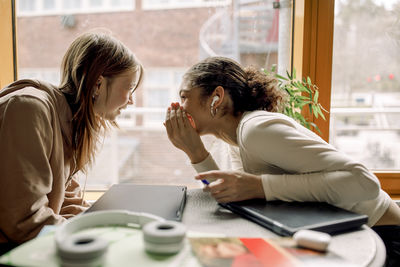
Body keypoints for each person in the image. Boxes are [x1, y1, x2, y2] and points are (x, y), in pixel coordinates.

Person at [164, 56, 400, 266]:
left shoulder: (255, 130)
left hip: (383, 237)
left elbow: (364, 182)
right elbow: (232, 199)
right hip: (340, 234)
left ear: (216, 98)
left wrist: (260, 187)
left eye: (184, 97)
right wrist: (196, 153)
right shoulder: (234, 141)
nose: (178, 107)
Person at [0, 31, 143, 254]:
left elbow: (66, 202)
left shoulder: (67, 122)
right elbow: (23, 221)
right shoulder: (28, 109)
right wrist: (97, 241)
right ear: (98, 84)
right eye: (130, 87)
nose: (132, 100)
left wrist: (113, 228)